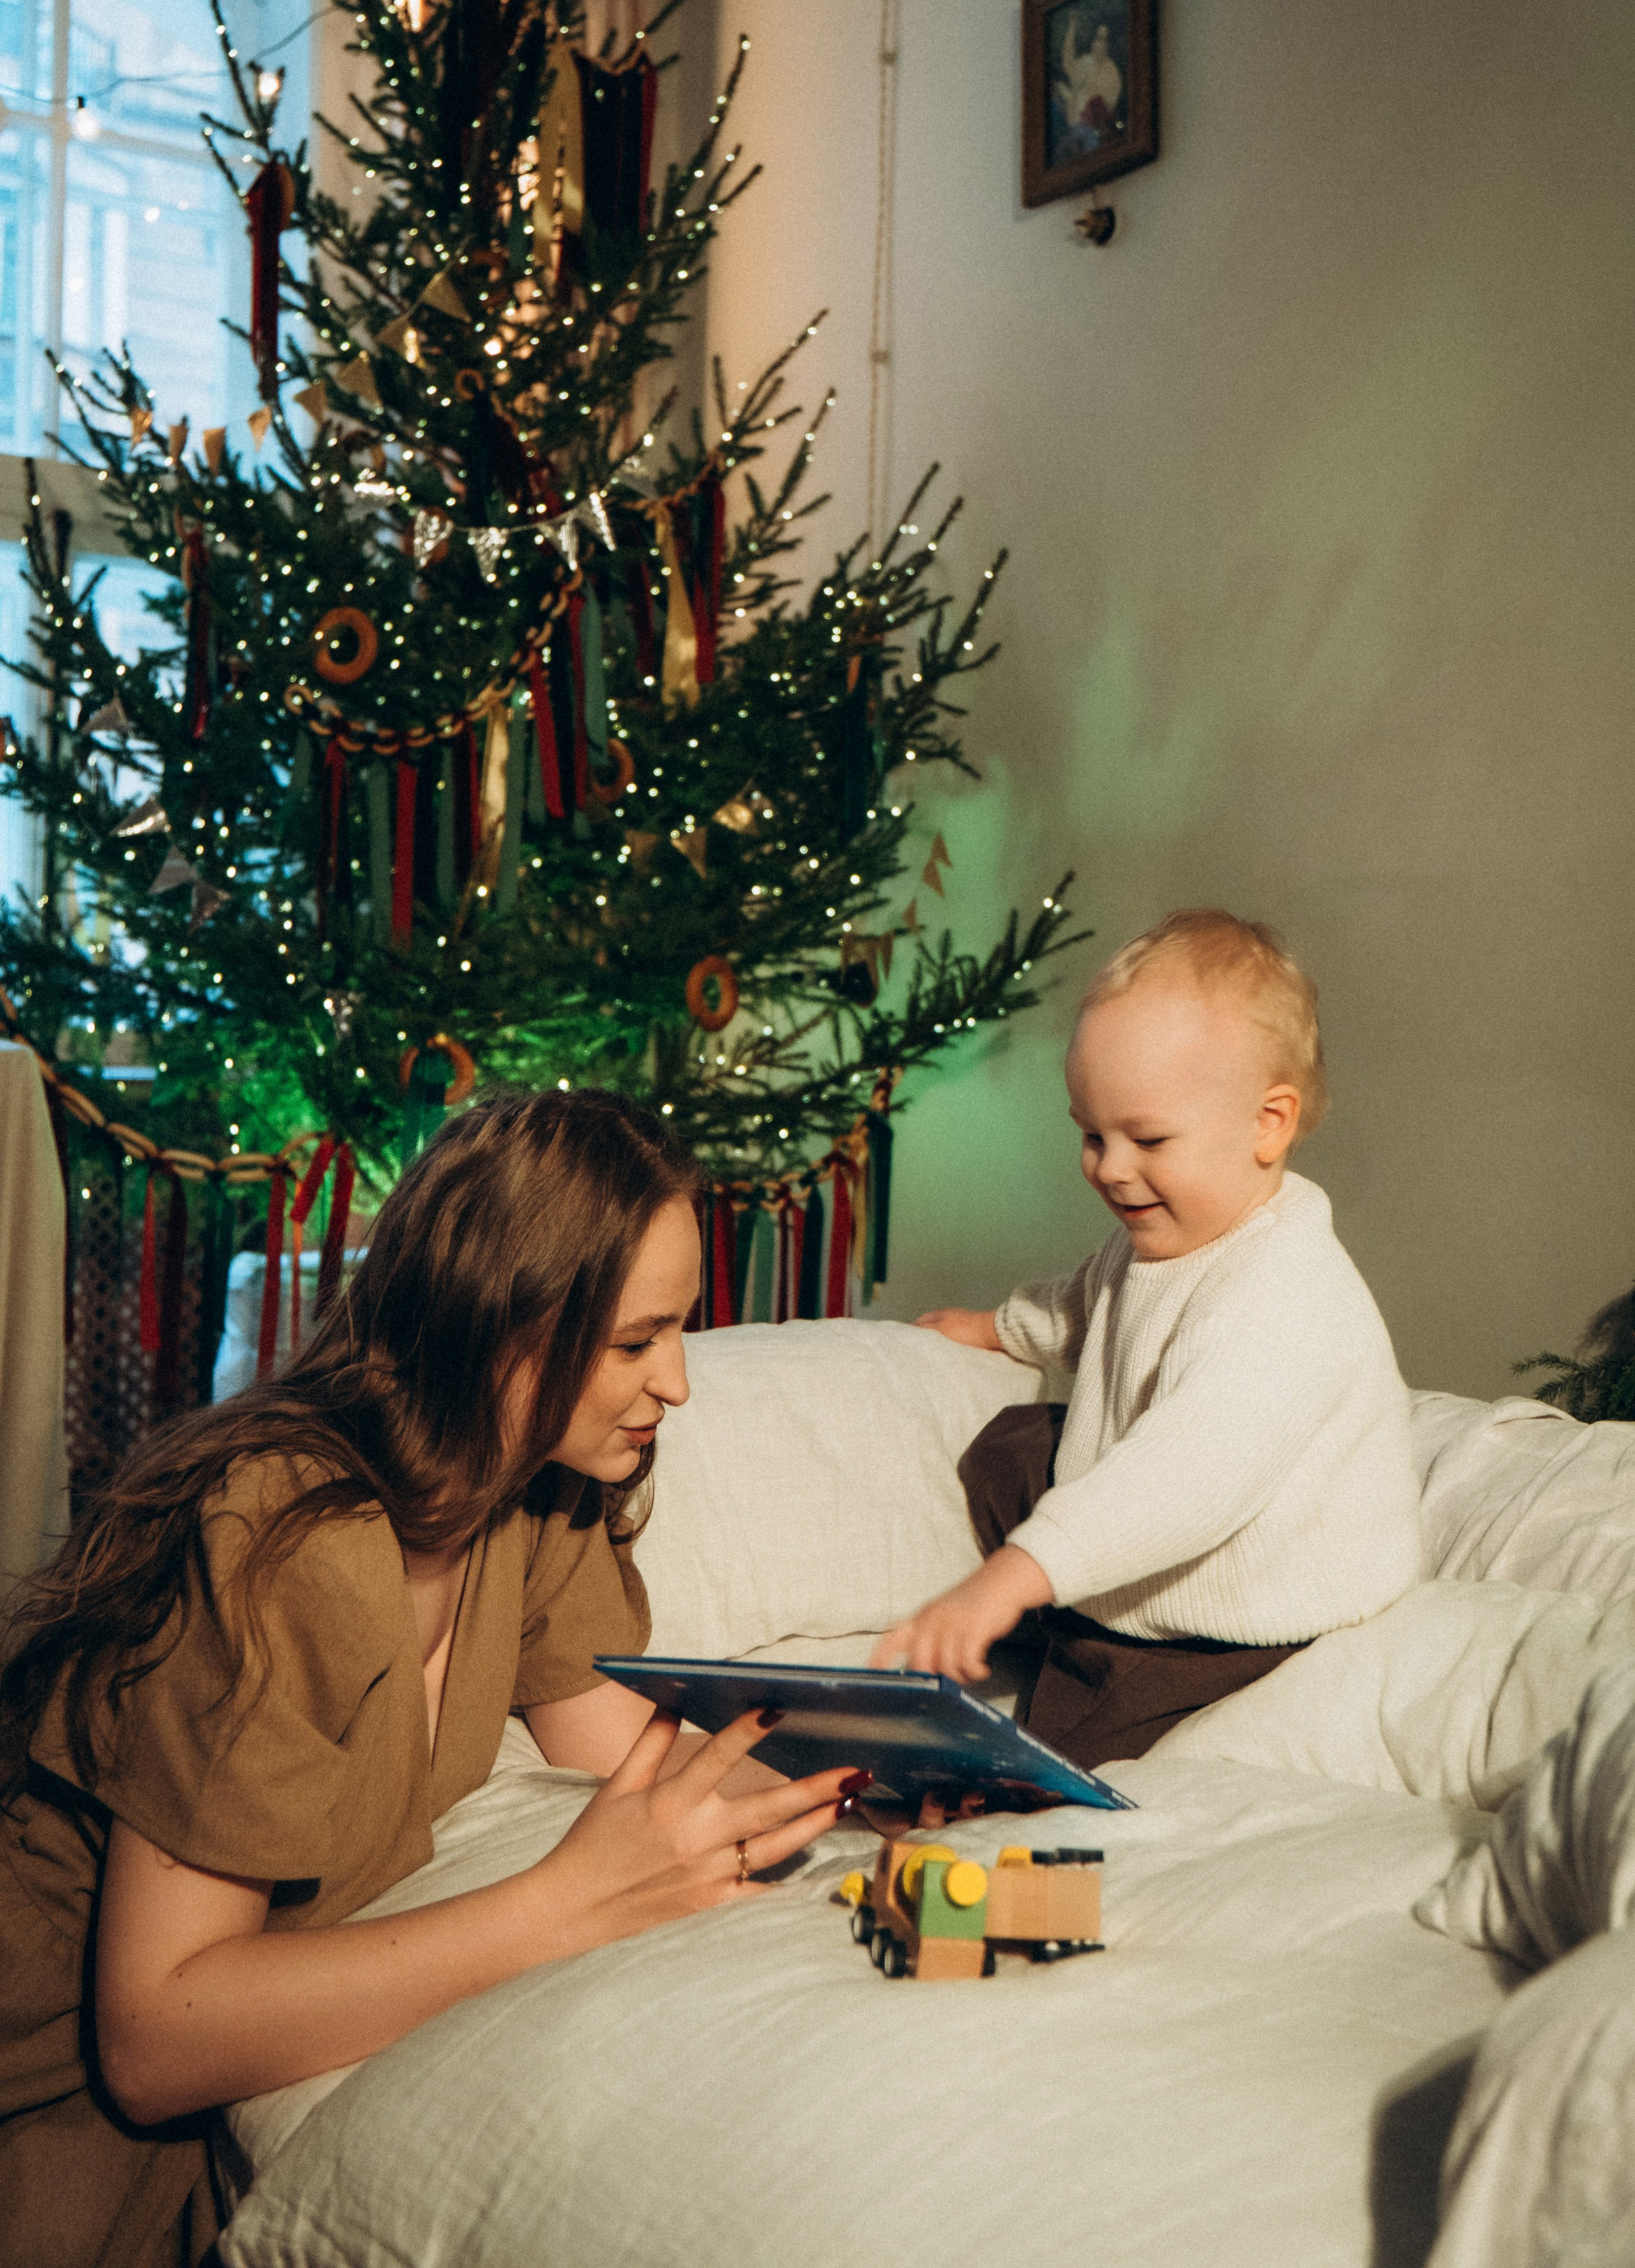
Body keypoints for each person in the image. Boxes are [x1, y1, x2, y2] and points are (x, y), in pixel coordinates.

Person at [0, 1087, 856, 2268]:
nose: (679, 1383)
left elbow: (629, 1758)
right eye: (634, 1343)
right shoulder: (287, 1537)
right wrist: (563, 1904)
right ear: (498, 1324)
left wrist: (885, 1795)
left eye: (678, 1333)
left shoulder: (538, 1499)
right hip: (39, 2070)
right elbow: (154, 2038)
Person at [874, 909, 1421, 1766]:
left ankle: (1047, 1671)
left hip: (1237, 1609)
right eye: (1092, 1134)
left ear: (1268, 1125)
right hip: (1162, 1506)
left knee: (1066, 1745)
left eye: (1148, 1138)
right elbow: (1088, 1305)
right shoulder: (1167, 1233)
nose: (1110, 1167)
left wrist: (1010, 1579)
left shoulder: (1288, 1300)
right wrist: (996, 1327)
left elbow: (1183, 1480)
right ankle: (1060, 1590)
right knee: (1008, 1449)